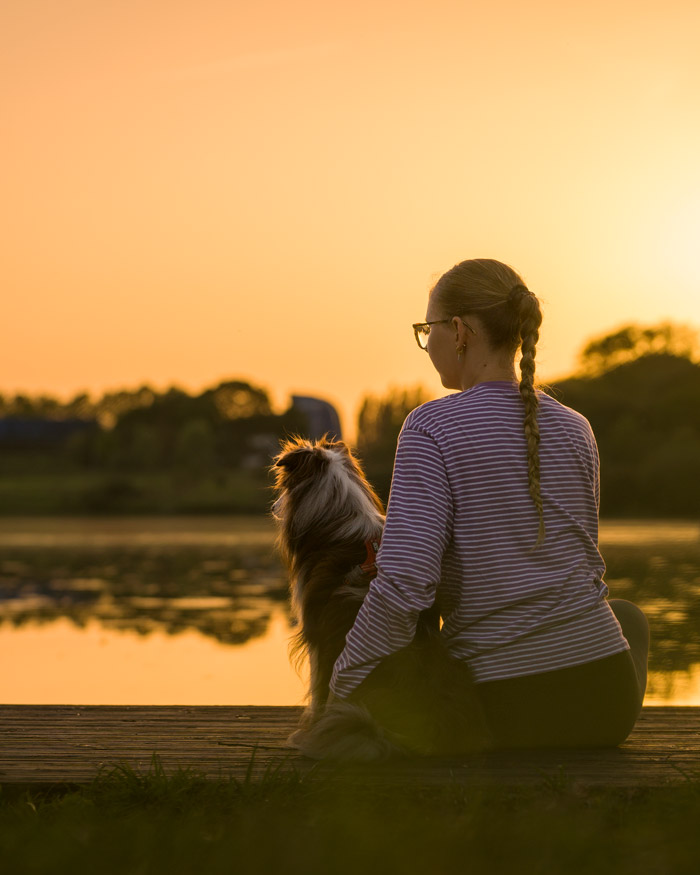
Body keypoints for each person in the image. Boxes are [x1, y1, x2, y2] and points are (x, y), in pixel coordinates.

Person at [329, 258, 649, 749]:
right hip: (608, 707)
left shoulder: (430, 427)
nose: (427, 343)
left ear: (459, 331)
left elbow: (406, 582)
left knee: (411, 652)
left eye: (427, 329)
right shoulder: (576, 427)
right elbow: (581, 566)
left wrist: (343, 683)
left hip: (503, 711)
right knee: (626, 616)